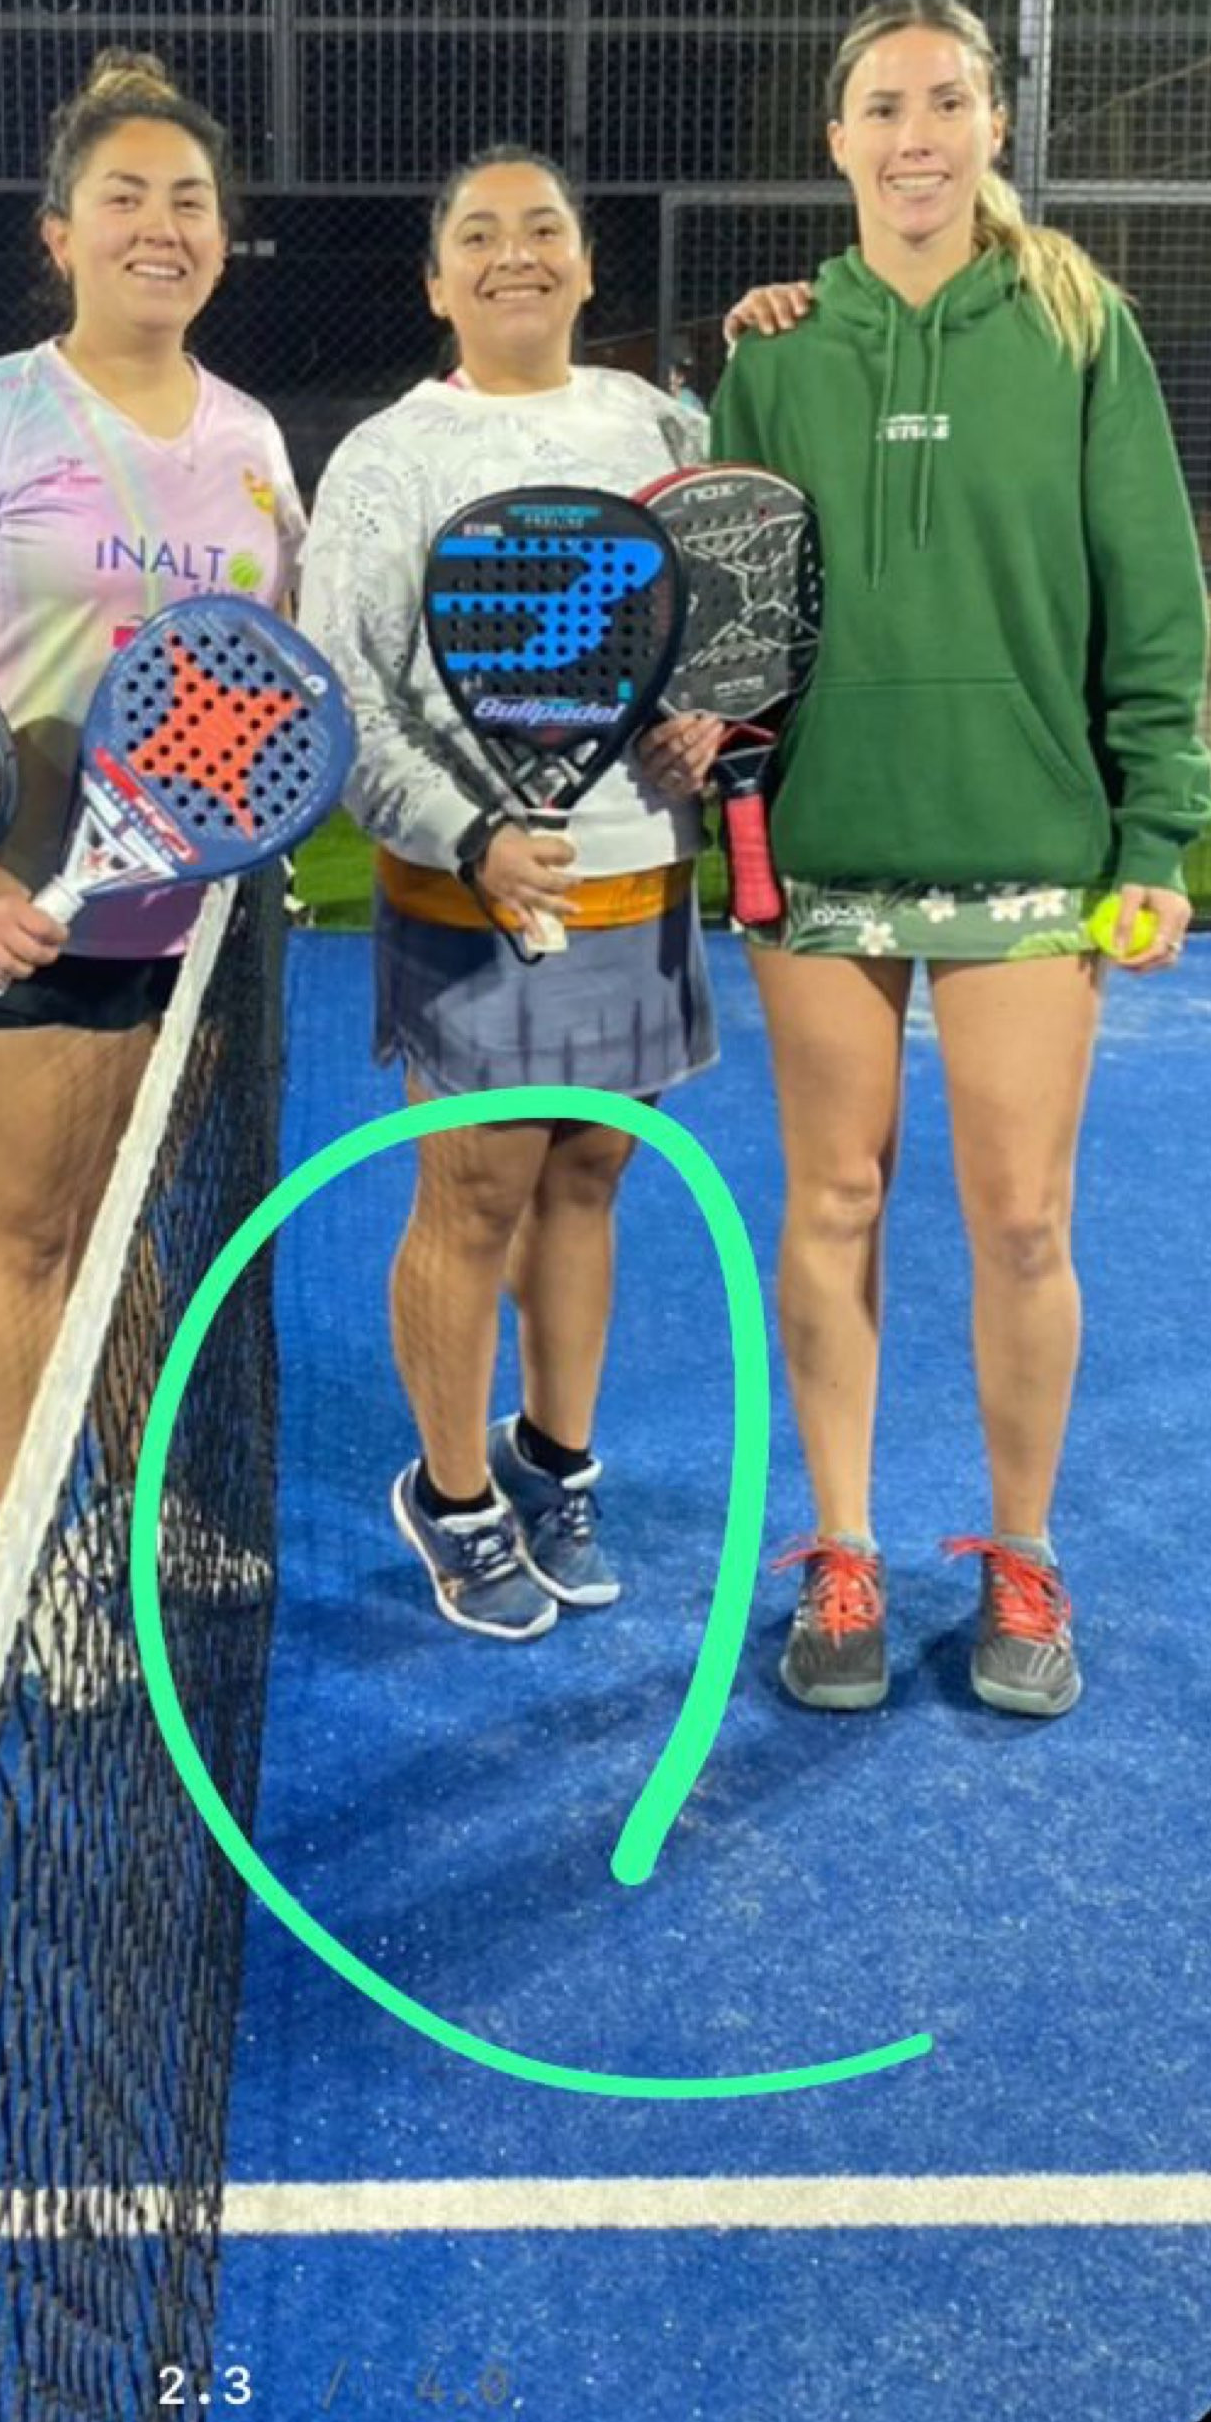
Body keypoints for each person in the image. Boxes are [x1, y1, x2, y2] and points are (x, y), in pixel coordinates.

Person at [713, 0, 1211, 1715]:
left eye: (945, 101)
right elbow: (733, 623)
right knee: (834, 1197)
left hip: (1030, 850)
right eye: (882, 106)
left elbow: (1151, 599)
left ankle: (1023, 1552)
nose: (914, 135)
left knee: (1020, 1216)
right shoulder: (773, 352)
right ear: (837, 139)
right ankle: (844, 1550)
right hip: (821, 850)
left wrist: (1157, 829)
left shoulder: (1077, 322)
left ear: (995, 122)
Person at [299, 147, 718, 1637]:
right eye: (478, 235)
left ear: (588, 267)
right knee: (473, 1192)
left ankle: (552, 1457)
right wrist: (470, 834)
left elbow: (710, 631)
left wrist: (705, 720)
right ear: (437, 283)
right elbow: (347, 694)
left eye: (545, 229)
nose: (515, 254)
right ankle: (453, 1490)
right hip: (466, 891)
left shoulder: (663, 425)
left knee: (591, 1172)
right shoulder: (387, 458)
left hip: (635, 869)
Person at [0, 50, 305, 1507]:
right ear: (59, 233)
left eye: (189, 199)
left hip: (198, 921)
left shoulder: (252, 437)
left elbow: (271, 675)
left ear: (222, 238)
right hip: (31, 910)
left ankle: (125, 1525)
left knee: (136, 1230)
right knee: (34, 1234)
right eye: (123, 196)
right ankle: (31, 1568)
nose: (160, 226)